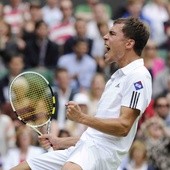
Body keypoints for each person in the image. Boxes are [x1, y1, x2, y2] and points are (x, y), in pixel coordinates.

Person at [11, 17, 152, 170]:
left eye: (112, 34)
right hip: (86, 148)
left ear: (129, 43)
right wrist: (61, 142)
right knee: (22, 168)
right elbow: (96, 136)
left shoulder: (138, 76)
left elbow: (124, 127)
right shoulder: (115, 77)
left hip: (102, 154)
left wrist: (82, 118)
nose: (105, 36)